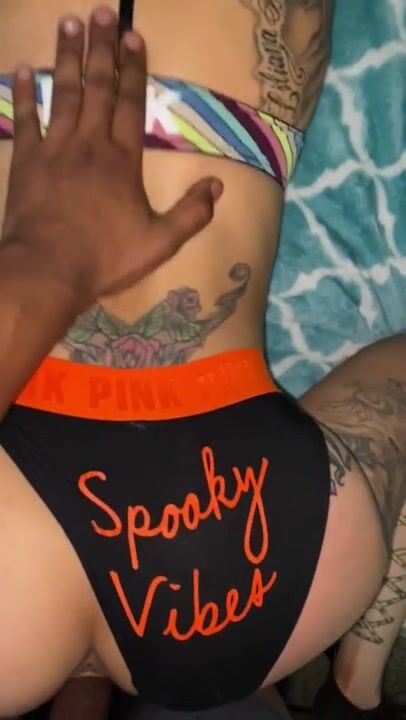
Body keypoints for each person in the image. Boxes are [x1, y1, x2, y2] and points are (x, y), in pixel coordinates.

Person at [0, 3, 404, 720]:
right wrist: (48, 265)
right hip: (226, 559)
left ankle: (355, 691)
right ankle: (355, 684)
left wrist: (49, 264)